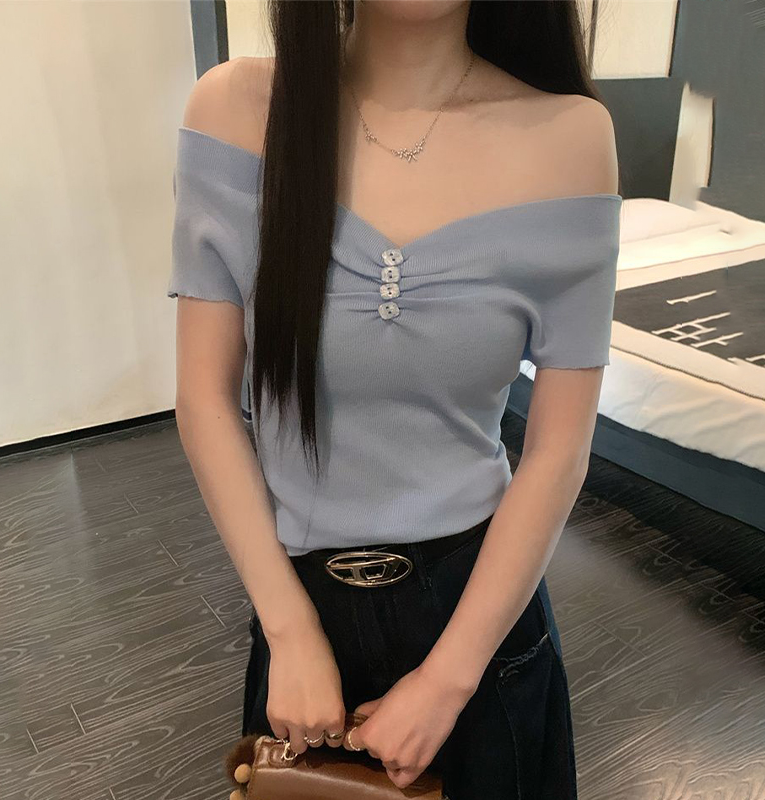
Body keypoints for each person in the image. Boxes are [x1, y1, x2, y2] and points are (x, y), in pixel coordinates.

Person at [167, 2, 622, 798]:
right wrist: (289, 631)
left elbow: (558, 450)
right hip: (297, 608)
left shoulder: (571, 137)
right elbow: (204, 399)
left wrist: (447, 681)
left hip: (480, 618)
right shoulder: (234, 110)